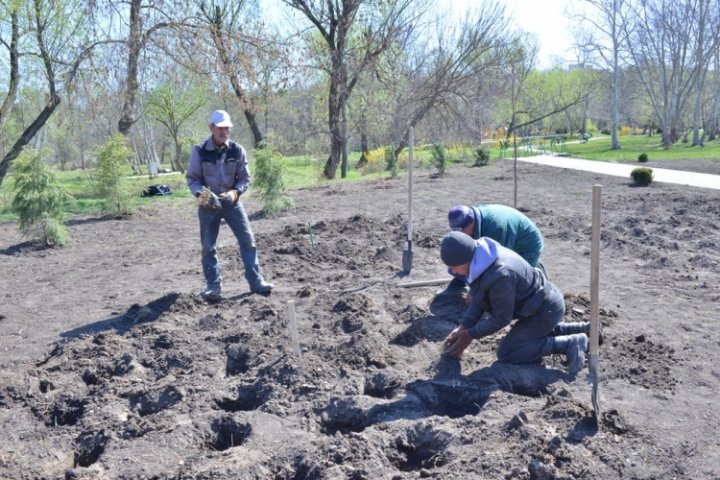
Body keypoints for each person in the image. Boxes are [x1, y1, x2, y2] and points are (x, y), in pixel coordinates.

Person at [439, 231, 589, 374]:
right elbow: (480, 299)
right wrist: (463, 327)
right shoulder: (482, 257)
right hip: (537, 306)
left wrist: (470, 335)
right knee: (528, 334)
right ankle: (584, 328)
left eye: (453, 266)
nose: (453, 271)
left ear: (465, 259)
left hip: (544, 309)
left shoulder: (500, 275)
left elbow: (501, 318)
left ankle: (570, 343)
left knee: (509, 352)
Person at [186, 110, 274, 300]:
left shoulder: (237, 150)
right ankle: (213, 286)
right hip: (207, 204)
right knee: (208, 246)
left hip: (232, 202)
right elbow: (192, 179)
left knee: (247, 241)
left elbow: (245, 178)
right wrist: (202, 195)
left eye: (227, 128)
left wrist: (236, 192)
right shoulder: (199, 151)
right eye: (220, 128)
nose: (224, 131)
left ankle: (256, 281)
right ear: (211, 128)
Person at [438, 204, 545, 297]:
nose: (462, 234)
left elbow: (496, 262)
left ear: (471, 222)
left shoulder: (495, 228)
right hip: (508, 235)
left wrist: (475, 291)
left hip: (526, 245)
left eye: (462, 230)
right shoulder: (472, 221)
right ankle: (457, 286)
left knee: (515, 281)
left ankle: (540, 280)